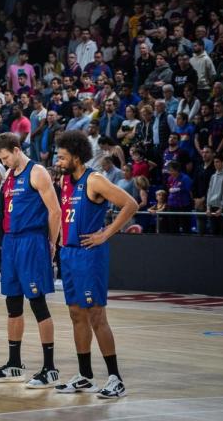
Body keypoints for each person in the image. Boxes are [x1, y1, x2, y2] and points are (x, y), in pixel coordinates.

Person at [55, 131, 137, 399]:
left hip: (90, 256)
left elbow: (130, 203)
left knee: (96, 316)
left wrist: (105, 233)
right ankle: (85, 376)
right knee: (76, 314)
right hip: (69, 255)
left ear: (77, 157)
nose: (59, 161)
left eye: (63, 157)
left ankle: (116, 378)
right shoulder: (66, 181)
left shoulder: (95, 180)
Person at [0, 132, 62, 387]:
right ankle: (14, 363)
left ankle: (49, 367)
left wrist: (51, 244)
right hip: (11, 242)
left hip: (32, 241)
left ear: (17, 149)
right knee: (13, 305)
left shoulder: (37, 171)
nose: (4, 162)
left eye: (6, 157)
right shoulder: (9, 176)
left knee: (38, 304)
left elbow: (55, 211)